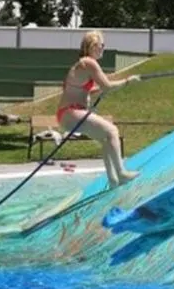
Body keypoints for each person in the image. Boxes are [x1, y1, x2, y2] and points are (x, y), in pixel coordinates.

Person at [58, 31, 142, 189]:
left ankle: (113, 180)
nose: (103, 48)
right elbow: (107, 86)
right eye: (101, 45)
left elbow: (85, 90)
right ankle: (122, 173)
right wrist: (127, 81)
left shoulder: (82, 64)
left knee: (105, 140)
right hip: (71, 112)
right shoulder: (89, 62)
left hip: (67, 114)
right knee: (112, 131)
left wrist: (98, 90)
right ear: (92, 46)